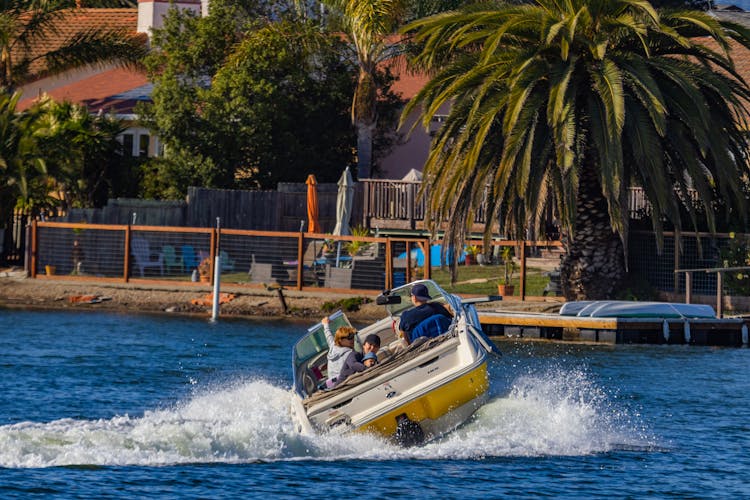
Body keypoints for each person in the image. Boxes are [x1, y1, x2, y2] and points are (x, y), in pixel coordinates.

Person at [321, 316, 358, 387]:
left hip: (332, 384)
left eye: (353, 336)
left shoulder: (333, 346)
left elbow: (328, 335)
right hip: (344, 385)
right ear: (341, 340)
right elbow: (355, 367)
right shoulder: (349, 353)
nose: (352, 339)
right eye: (349, 338)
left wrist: (325, 324)